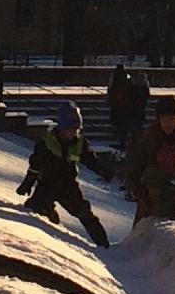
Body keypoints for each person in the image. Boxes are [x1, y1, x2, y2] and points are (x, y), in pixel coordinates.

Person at [15, 103, 112, 247]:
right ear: (61, 127)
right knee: (34, 208)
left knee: (83, 212)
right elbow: (35, 165)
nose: (73, 133)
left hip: (68, 186)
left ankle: (103, 243)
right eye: (70, 129)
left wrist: (102, 170)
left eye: (76, 129)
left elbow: (90, 159)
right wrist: (28, 182)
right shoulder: (46, 143)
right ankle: (50, 217)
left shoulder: (80, 143)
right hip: (47, 184)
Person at [127, 97, 175, 224]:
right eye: (164, 119)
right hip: (150, 197)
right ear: (158, 120)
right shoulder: (148, 140)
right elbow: (134, 170)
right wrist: (140, 193)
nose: (168, 124)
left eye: (171, 119)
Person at [106, 64, 144, 152]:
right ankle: (129, 144)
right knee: (126, 128)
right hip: (126, 108)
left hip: (120, 108)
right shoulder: (128, 83)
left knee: (122, 128)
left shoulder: (116, 82)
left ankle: (124, 144)